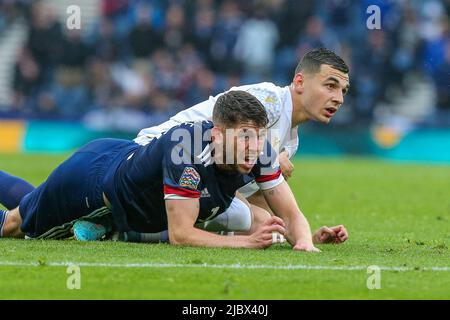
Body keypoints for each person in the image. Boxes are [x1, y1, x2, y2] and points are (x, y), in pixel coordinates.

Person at [0, 91, 347, 250]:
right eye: (244, 138)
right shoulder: (187, 145)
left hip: (116, 157)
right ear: (216, 133)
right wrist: (246, 244)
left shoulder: (259, 149)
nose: (253, 148)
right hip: (88, 186)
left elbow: (288, 211)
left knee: (32, 200)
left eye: (257, 138)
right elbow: (181, 234)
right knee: (15, 226)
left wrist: (305, 240)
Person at [135, 47, 350, 225]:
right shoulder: (270, 101)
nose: (339, 98)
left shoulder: (291, 142)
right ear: (300, 82)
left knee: (256, 221)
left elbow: (257, 194)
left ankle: (141, 228)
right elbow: (211, 141)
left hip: (193, 176)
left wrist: (298, 233)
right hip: (153, 153)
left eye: (343, 91)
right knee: (244, 219)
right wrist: (272, 162)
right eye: (331, 86)